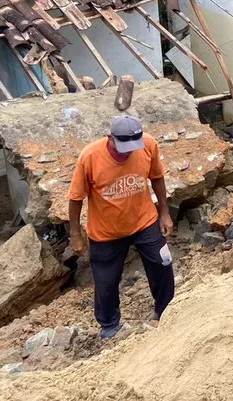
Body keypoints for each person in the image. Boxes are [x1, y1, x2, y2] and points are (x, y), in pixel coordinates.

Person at [67, 115, 175, 339]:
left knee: (162, 264)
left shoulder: (148, 145)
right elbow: (76, 198)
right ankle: (109, 326)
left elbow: (157, 177)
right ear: (110, 138)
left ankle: (166, 311)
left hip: (144, 221)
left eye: (132, 147)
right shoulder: (90, 157)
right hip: (106, 232)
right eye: (123, 146)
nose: (128, 152)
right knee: (105, 282)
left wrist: (164, 212)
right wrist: (75, 234)